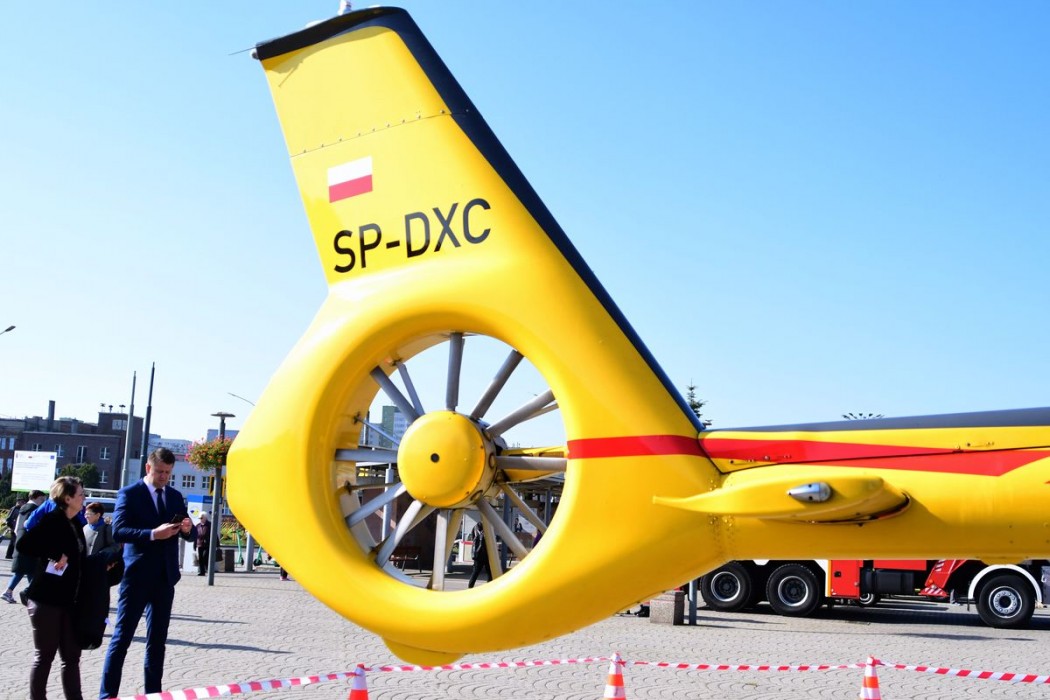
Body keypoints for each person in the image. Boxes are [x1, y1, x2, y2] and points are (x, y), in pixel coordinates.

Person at [99, 448, 197, 699]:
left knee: (157, 642)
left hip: (165, 577)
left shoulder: (174, 496)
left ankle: (153, 694)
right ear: (148, 468)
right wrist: (153, 534)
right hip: (137, 576)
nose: (164, 477)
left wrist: (187, 529)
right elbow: (119, 531)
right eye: (159, 471)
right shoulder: (129, 493)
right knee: (122, 638)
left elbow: (191, 533)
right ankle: (107, 695)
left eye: (168, 472)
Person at [16, 476, 88, 699]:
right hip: (46, 599)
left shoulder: (76, 522)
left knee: (72, 658)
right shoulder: (52, 519)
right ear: (67, 498)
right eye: (80, 494)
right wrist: (54, 554)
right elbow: (24, 544)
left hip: (70, 600)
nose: (84, 498)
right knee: (44, 657)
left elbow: (78, 558)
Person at [3, 490, 46, 604]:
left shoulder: (22, 509)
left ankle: (11, 592)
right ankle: (32, 596)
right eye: (42, 499)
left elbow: (16, 528)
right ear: (36, 498)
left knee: (23, 570)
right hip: (30, 546)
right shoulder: (36, 510)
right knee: (32, 570)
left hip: (20, 543)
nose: (43, 501)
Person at [467, 523, 492, 588]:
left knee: (475, 572)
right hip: (485, 554)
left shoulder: (474, 529)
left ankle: (470, 587)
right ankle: (489, 586)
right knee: (489, 572)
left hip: (477, 555)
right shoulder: (486, 530)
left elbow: (473, 539)